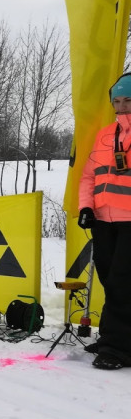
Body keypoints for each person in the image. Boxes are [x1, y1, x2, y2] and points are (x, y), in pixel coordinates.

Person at [78, 72, 131, 370]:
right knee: (111, 281)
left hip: (130, 221)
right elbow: (89, 176)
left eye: (128, 101)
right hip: (104, 220)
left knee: (124, 283)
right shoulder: (104, 135)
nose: (121, 107)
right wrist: (86, 206)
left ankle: (118, 348)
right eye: (117, 101)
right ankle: (116, 335)